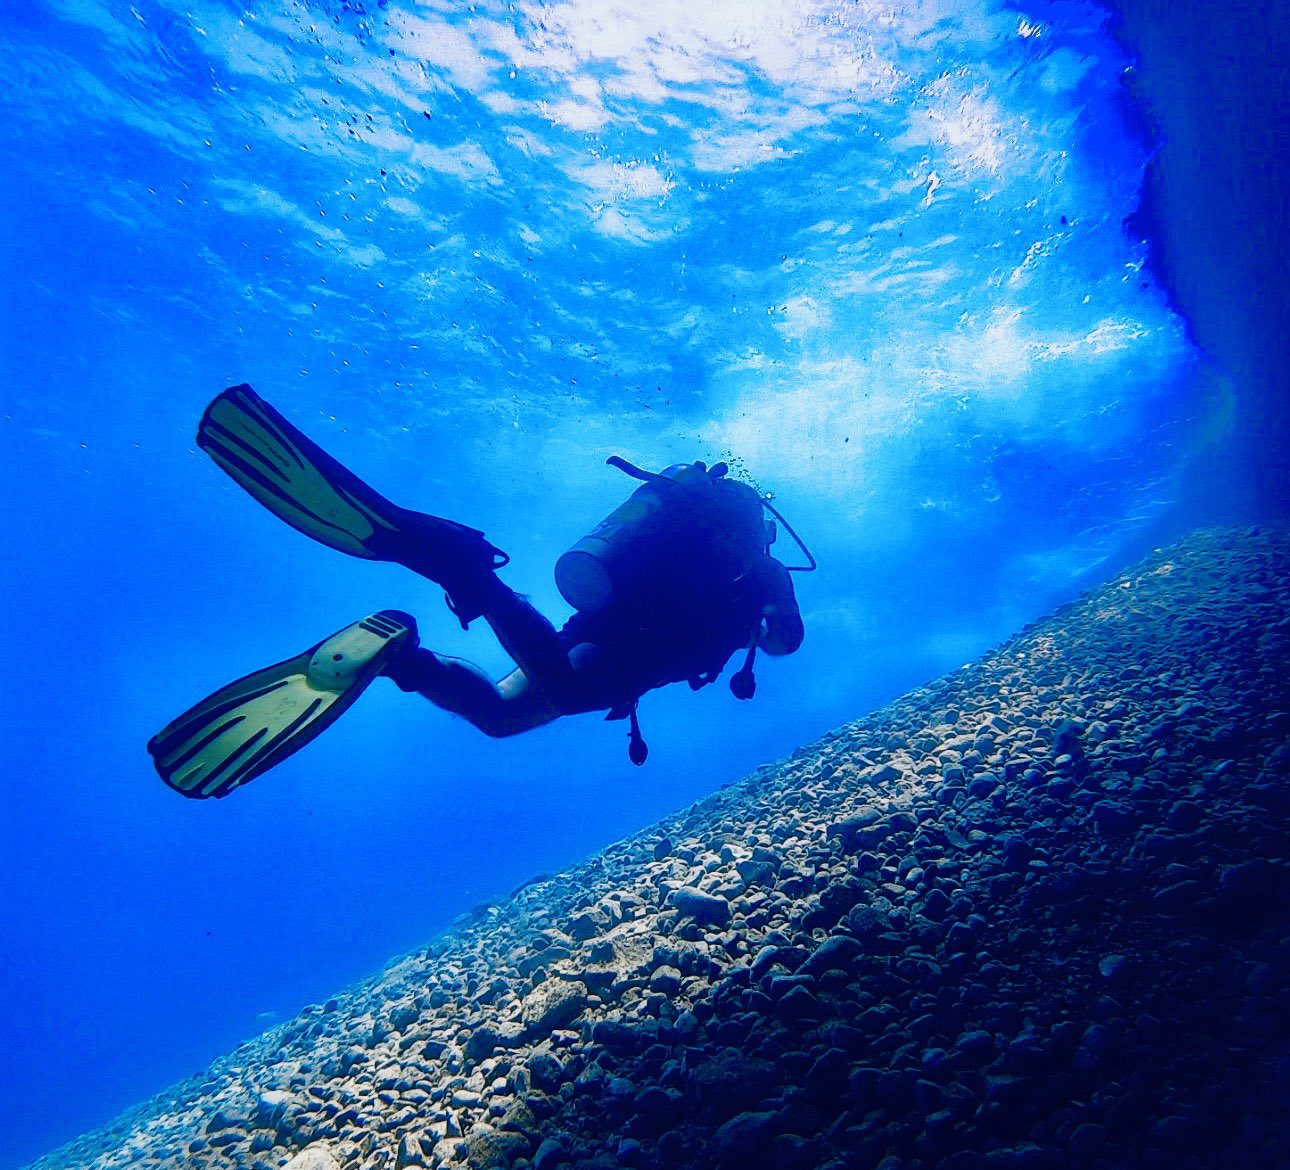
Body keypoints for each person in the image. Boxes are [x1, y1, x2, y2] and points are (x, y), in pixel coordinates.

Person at [148, 385, 807, 799]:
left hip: (610, 623)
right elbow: (786, 640)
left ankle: (403, 658)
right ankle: (468, 572)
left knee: (500, 716)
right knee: (570, 692)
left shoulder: (718, 552)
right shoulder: (764, 569)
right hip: (637, 646)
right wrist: (761, 618)